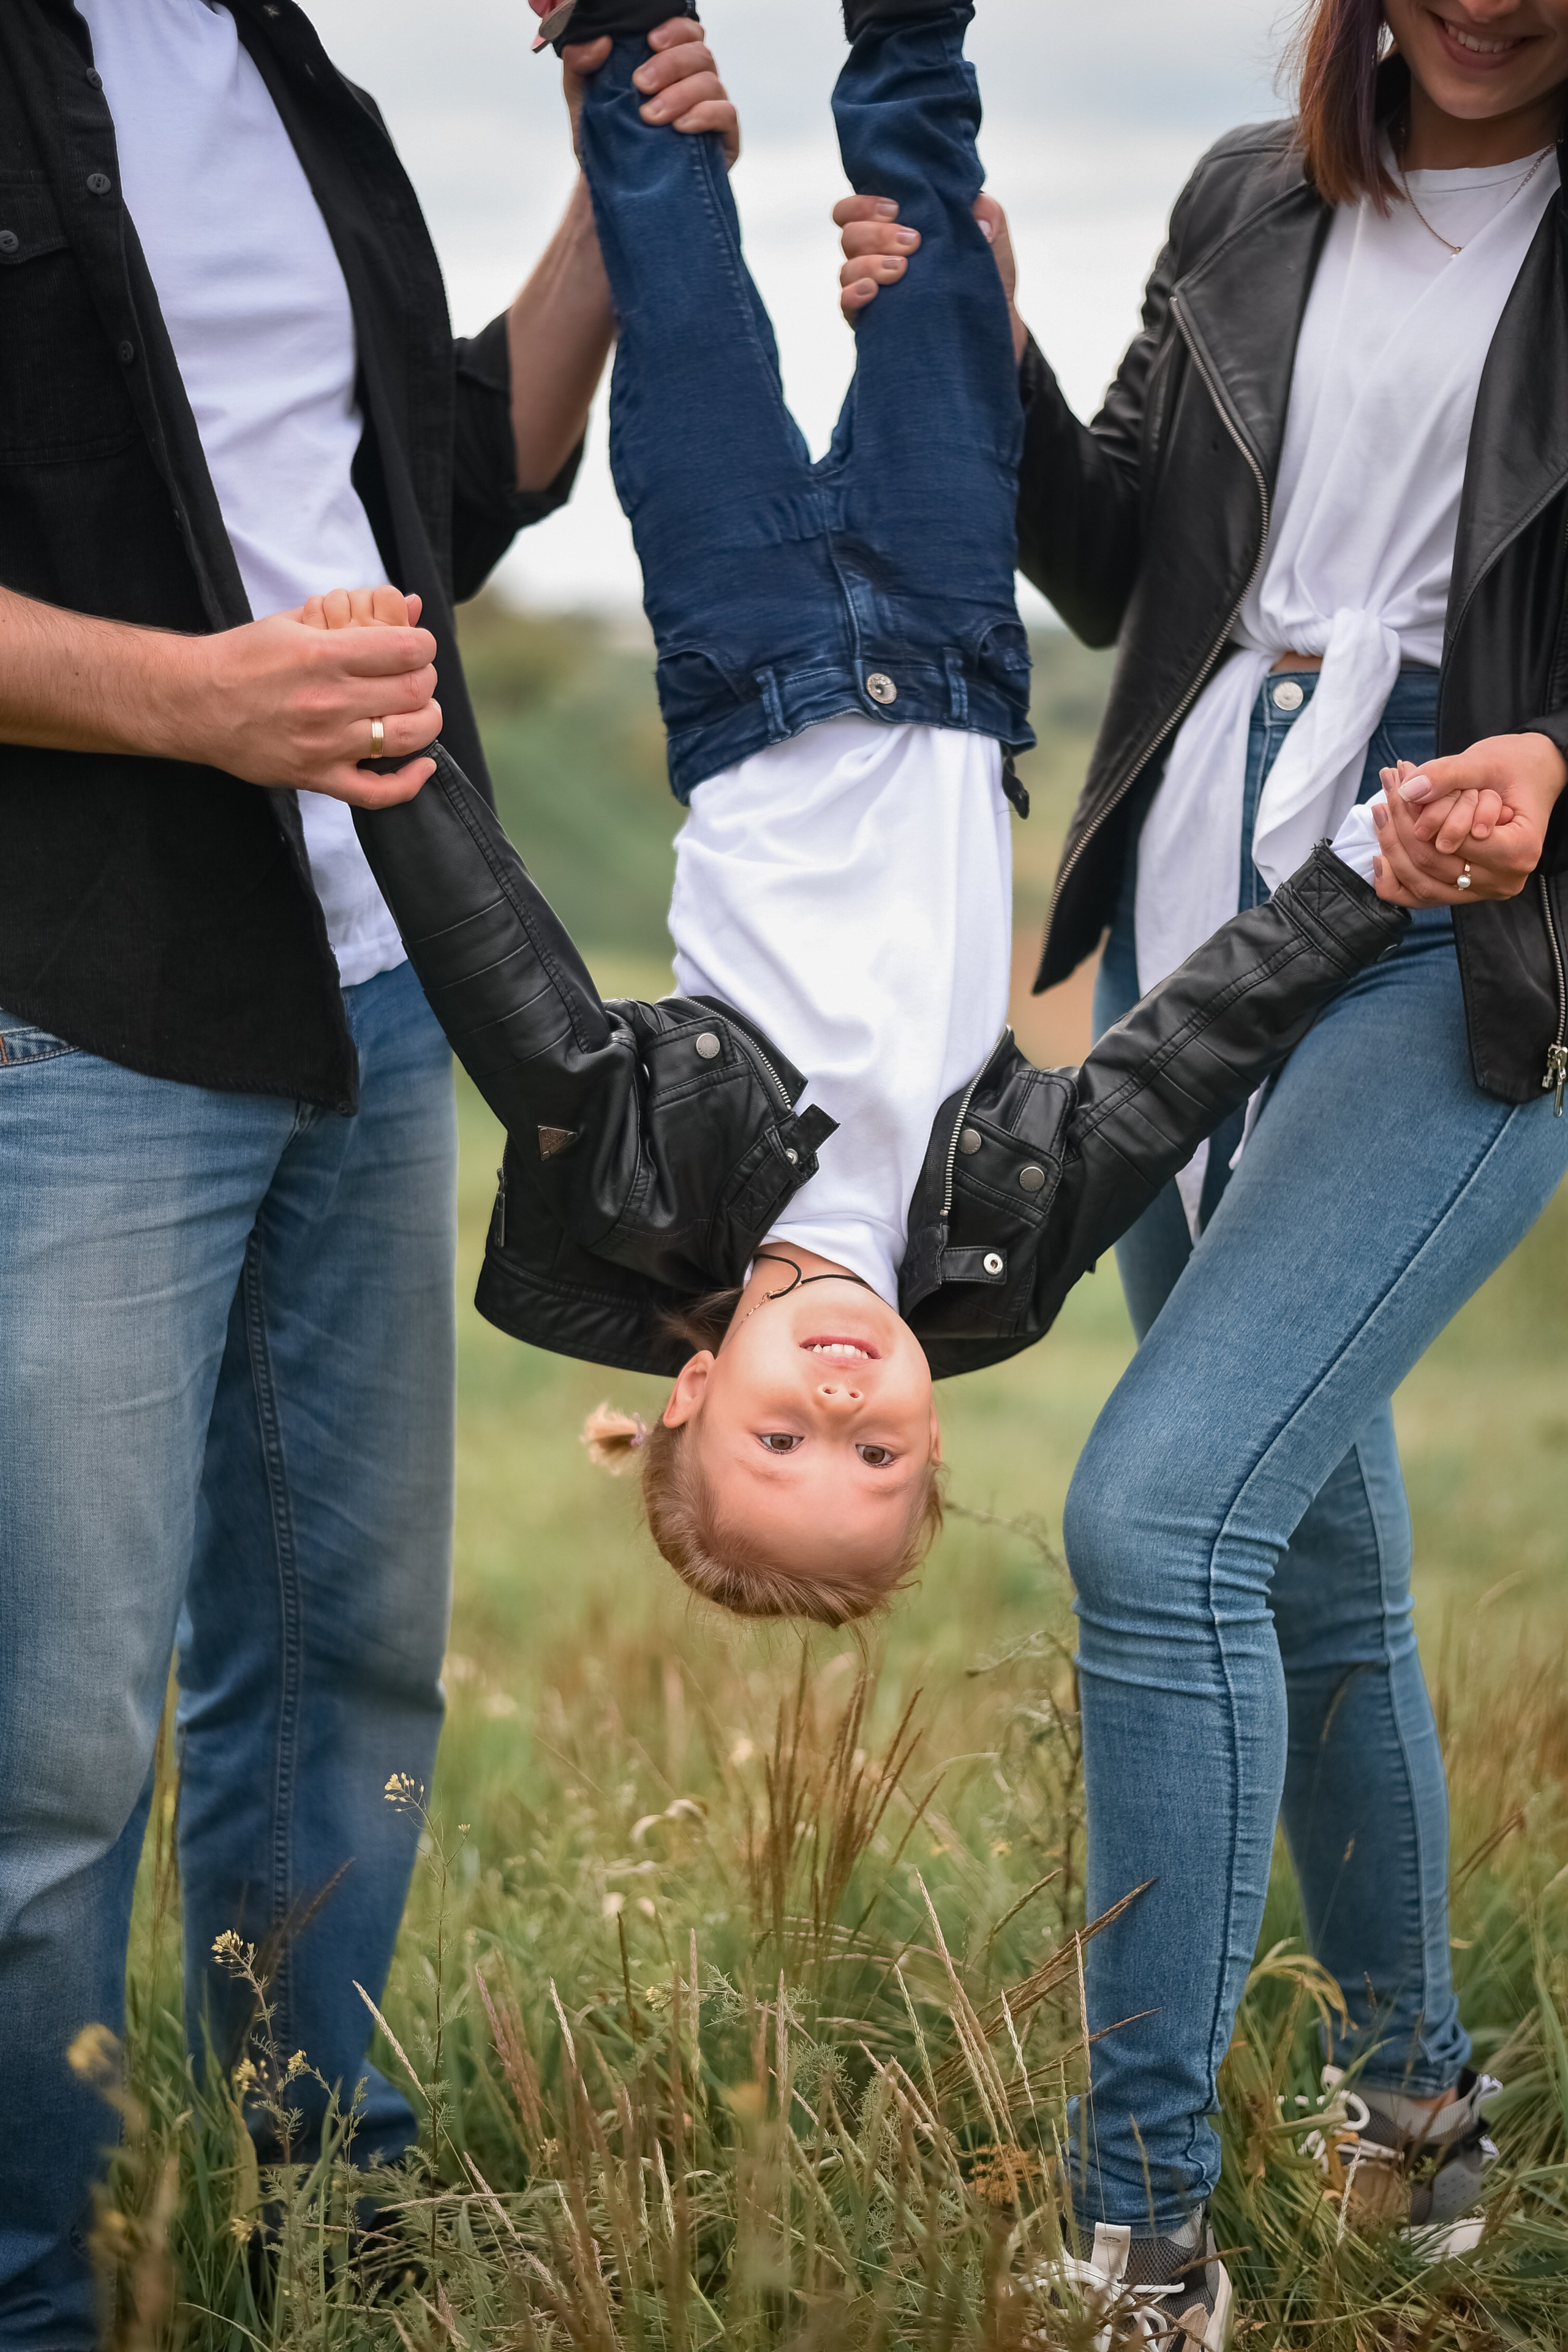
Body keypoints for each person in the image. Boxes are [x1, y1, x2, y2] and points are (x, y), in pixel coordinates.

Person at [349, 0, 1408, 1663]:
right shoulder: (1012, 1238)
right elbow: (1189, 1050)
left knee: (673, 263)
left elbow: (516, 998)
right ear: (937, 1425)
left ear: (696, 1391)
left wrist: (393, 773)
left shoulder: (639, 1191)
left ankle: (624, 26)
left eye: (786, 1440)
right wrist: (1363, 883)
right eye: (881, 1451)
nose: (842, 1403)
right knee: (922, 210)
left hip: (738, 639)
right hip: (956, 631)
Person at [0, 2, 732, 2339]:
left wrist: (614, 198)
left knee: (342, 1668)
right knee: (45, 1743)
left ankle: (329, 2227)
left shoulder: (280, 59)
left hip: (382, 973)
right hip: (80, 996)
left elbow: (439, 471)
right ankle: (42, 2281)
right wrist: (197, 698)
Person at [835, 0, 1568, 2327]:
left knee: (1161, 1522)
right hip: (1197, 883)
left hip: (1460, 894)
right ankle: (1422, 2126)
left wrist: (1559, 753)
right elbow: (1121, 558)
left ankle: (1143, 2238)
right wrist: (985, 335)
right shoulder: (1252, 196)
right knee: (1313, 1553)